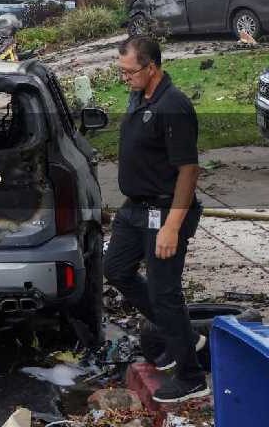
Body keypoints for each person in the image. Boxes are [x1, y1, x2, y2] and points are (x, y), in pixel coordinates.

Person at [103, 36, 207, 403]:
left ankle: (192, 375)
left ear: (151, 68)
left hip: (164, 210)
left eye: (129, 72)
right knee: (116, 269)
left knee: (165, 293)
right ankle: (183, 334)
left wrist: (172, 226)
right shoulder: (140, 94)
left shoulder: (174, 106)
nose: (124, 78)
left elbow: (188, 172)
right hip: (135, 208)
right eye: (121, 71)